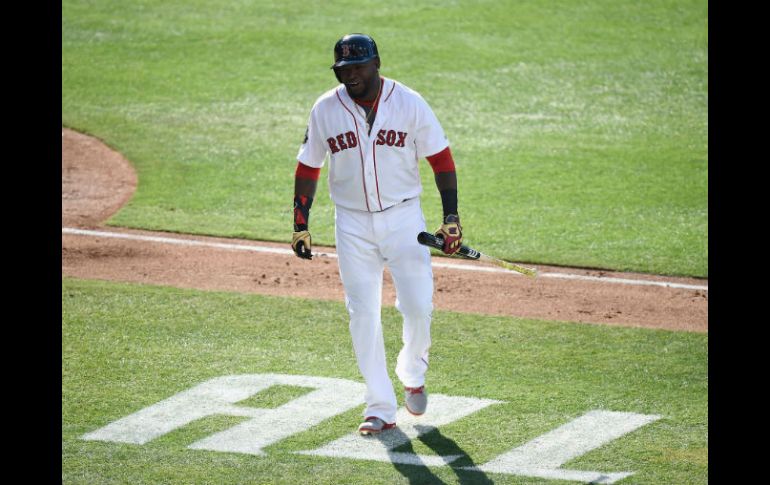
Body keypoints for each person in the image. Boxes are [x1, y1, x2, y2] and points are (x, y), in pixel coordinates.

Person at [291, 33, 463, 435]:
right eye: (343, 69)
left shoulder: (409, 103)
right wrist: (301, 223)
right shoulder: (325, 109)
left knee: (418, 306)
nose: (350, 75)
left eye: (357, 67)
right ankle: (380, 406)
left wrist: (451, 216)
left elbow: (441, 159)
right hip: (351, 224)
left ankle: (412, 369)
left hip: (405, 219)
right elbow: (308, 166)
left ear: (376, 63)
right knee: (362, 312)